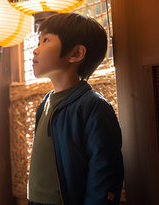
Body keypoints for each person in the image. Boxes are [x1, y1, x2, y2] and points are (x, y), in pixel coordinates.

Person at [28, 13, 124, 205]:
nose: (35, 50)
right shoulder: (45, 103)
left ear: (76, 54)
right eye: (39, 41)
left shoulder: (94, 106)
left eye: (46, 40)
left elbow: (104, 174)